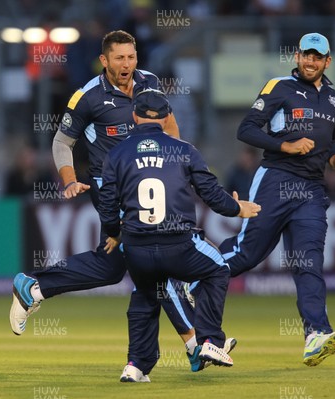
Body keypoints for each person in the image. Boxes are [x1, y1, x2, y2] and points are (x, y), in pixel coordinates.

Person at [9, 31, 210, 371]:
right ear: (105, 61)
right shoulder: (87, 97)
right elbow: (61, 142)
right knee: (154, 253)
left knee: (112, 266)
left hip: (146, 183)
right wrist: (70, 179)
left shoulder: (150, 83)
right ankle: (195, 343)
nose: (127, 64)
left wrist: (177, 168)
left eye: (131, 57)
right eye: (119, 58)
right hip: (110, 188)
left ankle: (34, 285)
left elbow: (170, 124)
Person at [98, 89, 261, 382]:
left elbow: (107, 207)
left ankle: (135, 365)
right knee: (218, 270)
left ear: (134, 116)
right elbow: (211, 194)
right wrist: (237, 208)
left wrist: (114, 232)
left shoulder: (117, 154)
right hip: (179, 245)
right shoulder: (184, 150)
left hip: (136, 248)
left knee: (146, 297)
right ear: (166, 117)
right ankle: (209, 340)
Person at [218, 33, 335, 367]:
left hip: (312, 189)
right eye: (305, 55)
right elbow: (246, 130)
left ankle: (315, 335)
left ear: (327, 61)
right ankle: (194, 276)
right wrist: (286, 146)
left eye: (316, 57)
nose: (310, 62)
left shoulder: (334, 98)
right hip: (276, 179)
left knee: (309, 261)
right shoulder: (279, 86)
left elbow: (330, 142)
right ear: (296, 56)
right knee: (248, 253)